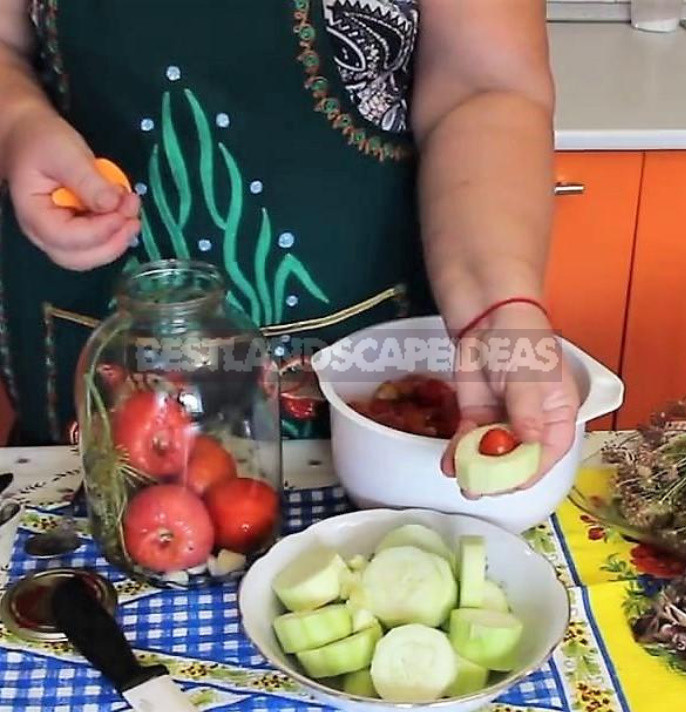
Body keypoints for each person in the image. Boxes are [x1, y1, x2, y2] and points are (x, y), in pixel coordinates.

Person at [0, 0, 579, 491]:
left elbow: (482, 86)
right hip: (95, 341)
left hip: (373, 378)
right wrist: (17, 121)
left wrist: (494, 308)